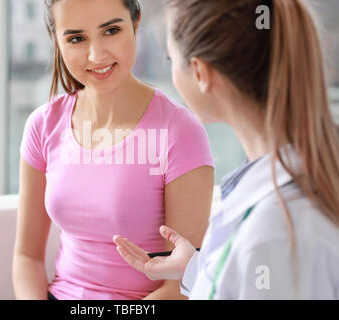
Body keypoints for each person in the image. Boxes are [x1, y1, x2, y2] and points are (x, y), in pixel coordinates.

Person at [114, 0, 339, 299]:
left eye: (171, 60)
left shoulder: (276, 232)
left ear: (200, 73)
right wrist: (197, 268)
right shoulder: (286, 194)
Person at [12, 0, 215, 300]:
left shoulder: (180, 132)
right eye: (76, 38)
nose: (96, 55)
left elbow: (180, 287)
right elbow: (27, 257)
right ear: (56, 41)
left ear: (135, 23)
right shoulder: (43, 125)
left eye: (111, 30)